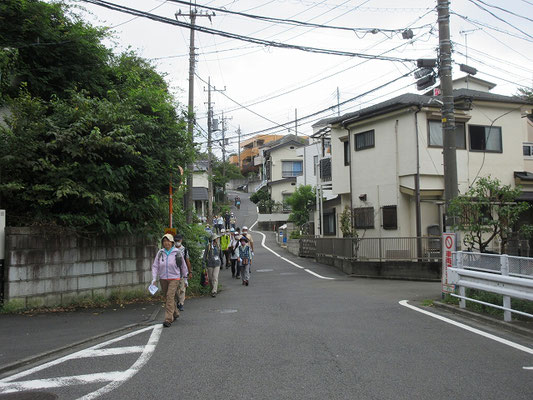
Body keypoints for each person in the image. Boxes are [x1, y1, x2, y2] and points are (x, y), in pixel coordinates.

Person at [151, 233, 187, 327]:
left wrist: (185, 278)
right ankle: (175, 313)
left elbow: (183, 266)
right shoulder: (160, 253)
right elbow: (155, 266)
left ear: (172, 242)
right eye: (164, 241)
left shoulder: (177, 252)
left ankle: (168, 319)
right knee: (167, 298)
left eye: (168, 241)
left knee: (170, 297)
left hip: (174, 278)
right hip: (163, 278)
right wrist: (154, 278)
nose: (166, 243)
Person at [174, 233, 192, 312]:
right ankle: (178, 301)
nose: (177, 242)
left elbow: (187, 261)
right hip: (174, 272)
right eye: (176, 240)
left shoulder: (184, 249)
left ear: (181, 240)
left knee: (182, 289)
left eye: (178, 240)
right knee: (176, 290)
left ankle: (181, 303)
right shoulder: (171, 249)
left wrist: (190, 271)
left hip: (182, 273)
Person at [203, 233, 222, 297]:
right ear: (213, 239)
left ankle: (214, 291)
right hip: (209, 264)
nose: (217, 239)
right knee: (210, 278)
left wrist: (221, 262)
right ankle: (212, 289)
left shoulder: (218, 246)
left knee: (215, 277)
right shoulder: (208, 246)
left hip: (217, 264)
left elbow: (220, 255)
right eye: (216, 238)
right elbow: (205, 255)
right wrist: (203, 263)